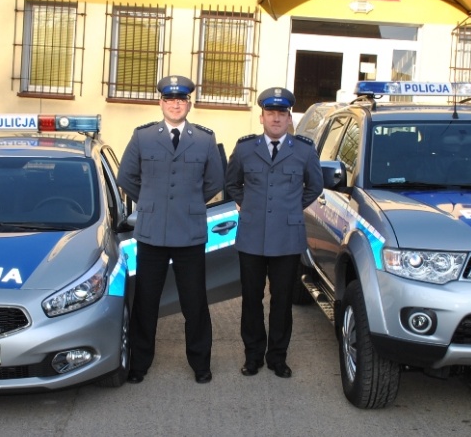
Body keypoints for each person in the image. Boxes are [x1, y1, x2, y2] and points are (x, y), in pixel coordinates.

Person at [117, 75, 224, 384]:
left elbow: (215, 181)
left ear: (189, 103)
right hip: (152, 232)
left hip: (189, 232)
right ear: (160, 102)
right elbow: (127, 177)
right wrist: (152, 201)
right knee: (146, 302)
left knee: (195, 303)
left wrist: (189, 202)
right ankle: (139, 363)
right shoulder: (143, 137)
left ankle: (201, 364)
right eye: (169, 99)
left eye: (182, 99)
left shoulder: (204, 138)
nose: (176, 103)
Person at [225, 87, 323, 378]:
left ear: (289, 117)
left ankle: (277, 357)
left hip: (287, 238)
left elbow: (314, 187)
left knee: (282, 301)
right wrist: (248, 204)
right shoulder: (244, 149)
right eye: (271, 113)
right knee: (251, 299)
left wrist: (292, 208)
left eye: (282, 113)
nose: (276, 118)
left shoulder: (304, 150)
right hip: (252, 237)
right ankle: (252, 355)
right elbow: (232, 184)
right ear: (262, 117)